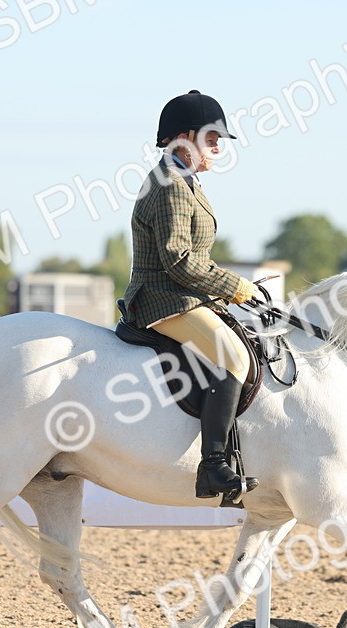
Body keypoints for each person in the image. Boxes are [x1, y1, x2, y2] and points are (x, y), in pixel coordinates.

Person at [121, 90, 260, 500]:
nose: (218, 147)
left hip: (185, 296)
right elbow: (179, 260)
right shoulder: (170, 186)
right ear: (184, 138)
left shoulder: (186, 181)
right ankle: (213, 464)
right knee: (233, 357)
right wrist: (234, 286)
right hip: (163, 299)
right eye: (211, 138)